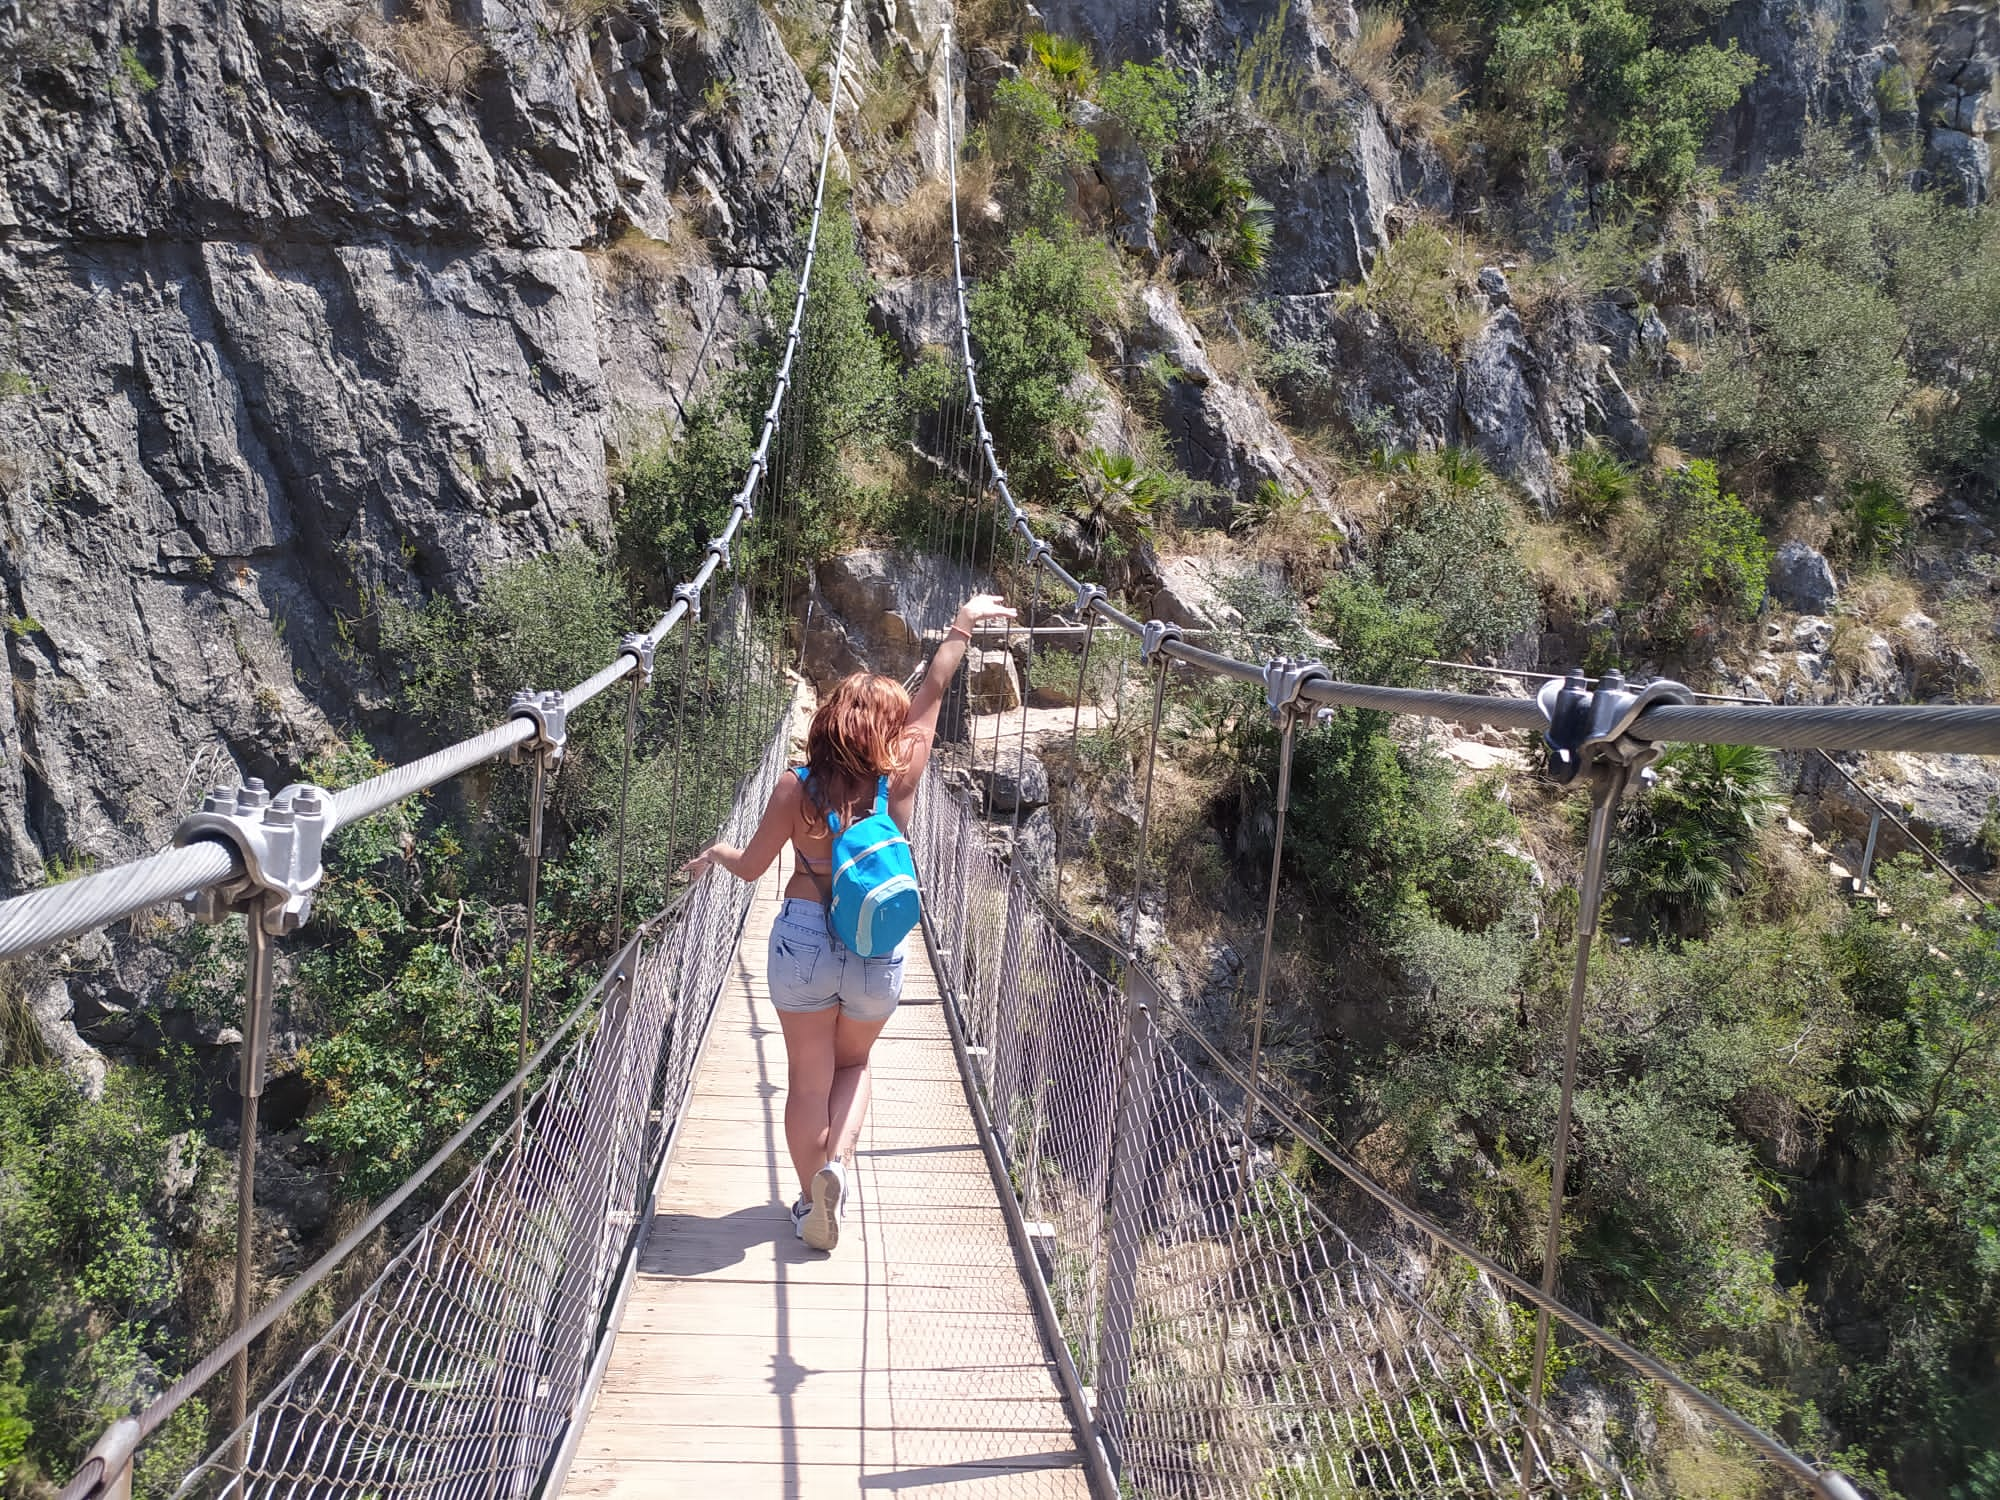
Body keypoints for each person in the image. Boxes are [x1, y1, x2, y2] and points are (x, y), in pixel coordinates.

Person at [682, 592, 1015, 1250]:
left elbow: (750, 869)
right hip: (876, 946)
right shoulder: (904, 772)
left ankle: (811, 1205)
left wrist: (717, 852)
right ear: (886, 732)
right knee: (854, 1069)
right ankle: (839, 1167)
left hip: (803, 940)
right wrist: (963, 625)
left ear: (829, 722)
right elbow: (938, 683)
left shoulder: (793, 788)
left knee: (807, 1081)